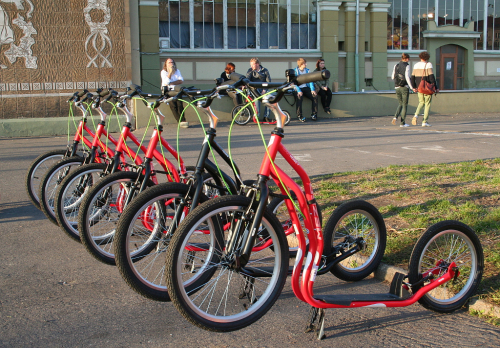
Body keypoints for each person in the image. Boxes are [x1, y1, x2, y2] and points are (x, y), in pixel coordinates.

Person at [410, 51, 439, 127]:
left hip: (419, 88)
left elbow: (412, 77)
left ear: (420, 57)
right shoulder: (428, 64)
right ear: (427, 57)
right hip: (427, 88)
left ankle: (416, 115)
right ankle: (424, 121)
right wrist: (436, 87)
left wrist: (414, 87)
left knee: (421, 102)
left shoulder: (416, 65)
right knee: (427, 104)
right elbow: (431, 77)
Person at [161, 58, 188, 127]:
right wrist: (170, 72)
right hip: (168, 90)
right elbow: (166, 83)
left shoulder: (177, 71)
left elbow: (181, 80)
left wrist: (171, 83)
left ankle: (183, 120)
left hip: (176, 90)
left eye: (172, 62)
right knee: (173, 105)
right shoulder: (163, 72)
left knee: (180, 104)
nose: (171, 64)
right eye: (169, 63)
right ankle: (179, 121)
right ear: (166, 64)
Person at [391, 53, 415, 127]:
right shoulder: (407, 65)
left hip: (397, 87)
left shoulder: (396, 65)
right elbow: (407, 77)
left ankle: (395, 117)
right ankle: (402, 123)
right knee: (404, 105)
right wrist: (411, 87)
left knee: (400, 103)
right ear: (407, 59)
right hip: (404, 87)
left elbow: (392, 77)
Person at [246, 57, 272, 122]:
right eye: (250, 65)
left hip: (263, 89)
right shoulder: (250, 70)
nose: (251, 66)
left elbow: (268, 81)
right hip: (254, 89)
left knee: (270, 97)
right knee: (257, 98)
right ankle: (257, 115)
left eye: (252, 64)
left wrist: (264, 90)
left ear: (257, 64)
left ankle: (266, 116)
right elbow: (247, 79)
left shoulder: (265, 70)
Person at [293, 58, 318, 122]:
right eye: (304, 63)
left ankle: (314, 114)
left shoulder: (307, 71)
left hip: (306, 88)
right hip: (297, 88)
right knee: (299, 97)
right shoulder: (295, 71)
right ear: (300, 64)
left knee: (314, 97)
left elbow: (310, 81)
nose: (306, 64)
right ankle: (300, 116)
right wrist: (298, 90)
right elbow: (293, 83)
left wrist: (312, 89)